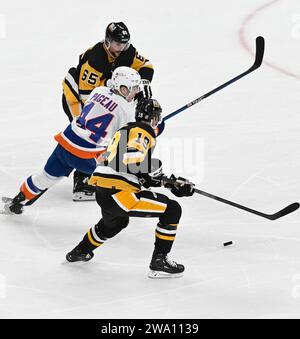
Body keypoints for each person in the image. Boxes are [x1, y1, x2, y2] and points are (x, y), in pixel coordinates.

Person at [66, 98, 195, 279]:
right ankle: (160, 261)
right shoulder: (144, 132)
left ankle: (81, 251)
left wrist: (170, 183)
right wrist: (158, 170)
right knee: (172, 210)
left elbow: (132, 170)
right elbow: (132, 159)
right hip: (120, 193)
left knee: (115, 223)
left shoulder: (125, 130)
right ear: (153, 118)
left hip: (103, 190)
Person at [3, 66, 142, 215]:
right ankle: (126, 206)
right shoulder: (127, 111)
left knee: (45, 177)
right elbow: (124, 141)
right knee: (123, 174)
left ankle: (18, 200)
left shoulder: (98, 91)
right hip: (87, 156)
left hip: (65, 143)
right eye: (133, 88)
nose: (135, 92)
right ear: (122, 88)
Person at [62, 21, 155, 201]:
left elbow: (147, 67)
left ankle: (103, 171)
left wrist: (142, 84)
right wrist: (120, 101)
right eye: (118, 44)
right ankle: (81, 181)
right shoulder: (95, 59)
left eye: (125, 44)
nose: (122, 48)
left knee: (105, 134)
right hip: (76, 99)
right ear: (107, 42)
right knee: (87, 136)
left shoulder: (127, 51)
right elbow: (88, 99)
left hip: (103, 95)